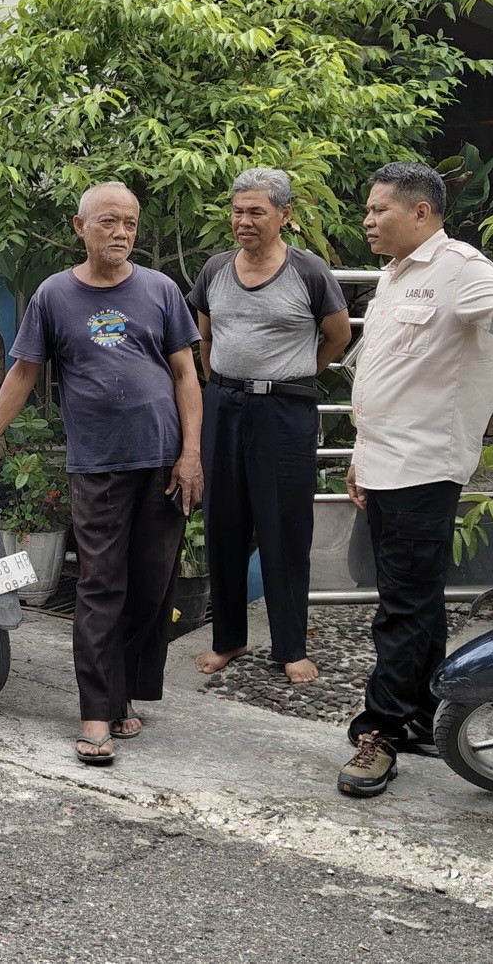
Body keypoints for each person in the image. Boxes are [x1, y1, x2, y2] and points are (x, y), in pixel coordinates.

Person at [0, 182, 203, 766]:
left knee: (151, 585)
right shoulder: (54, 295)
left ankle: (122, 693)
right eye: (109, 221)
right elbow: (23, 372)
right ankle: (95, 711)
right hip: (98, 465)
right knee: (99, 586)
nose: (122, 233)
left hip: (162, 460)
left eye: (130, 223)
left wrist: (191, 453)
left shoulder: (161, 289)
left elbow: (186, 375)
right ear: (79, 226)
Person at [341, 161, 493, 798]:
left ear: (421, 213)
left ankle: (379, 732)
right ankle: (423, 714)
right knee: (417, 600)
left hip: (423, 468)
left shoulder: (460, 269)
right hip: (384, 462)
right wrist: (360, 454)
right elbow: (384, 375)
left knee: (400, 607)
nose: (368, 220)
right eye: (369, 209)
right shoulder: (395, 274)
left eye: (379, 209)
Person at [189, 168, 351, 683]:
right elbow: (205, 337)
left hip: (284, 412)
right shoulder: (215, 269)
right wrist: (220, 387)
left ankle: (290, 646)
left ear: (284, 214)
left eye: (256, 211)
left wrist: (293, 376)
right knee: (223, 526)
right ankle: (228, 639)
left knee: (284, 528)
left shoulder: (309, 272)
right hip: (224, 406)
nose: (244, 221)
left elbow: (338, 336)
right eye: (238, 211)